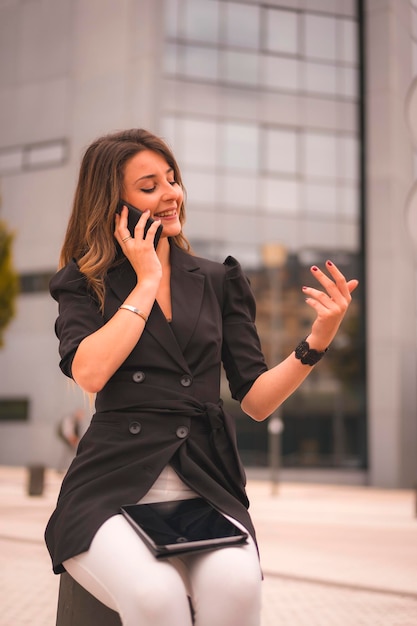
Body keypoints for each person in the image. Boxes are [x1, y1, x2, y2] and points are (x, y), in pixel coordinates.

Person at [44, 128, 358, 626]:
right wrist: (146, 280)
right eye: (149, 187)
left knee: (237, 589)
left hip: (203, 482)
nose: (171, 194)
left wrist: (317, 339)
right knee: (156, 597)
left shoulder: (218, 280)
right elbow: (90, 370)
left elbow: (254, 400)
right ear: (113, 204)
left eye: (172, 179)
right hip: (110, 485)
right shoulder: (86, 282)